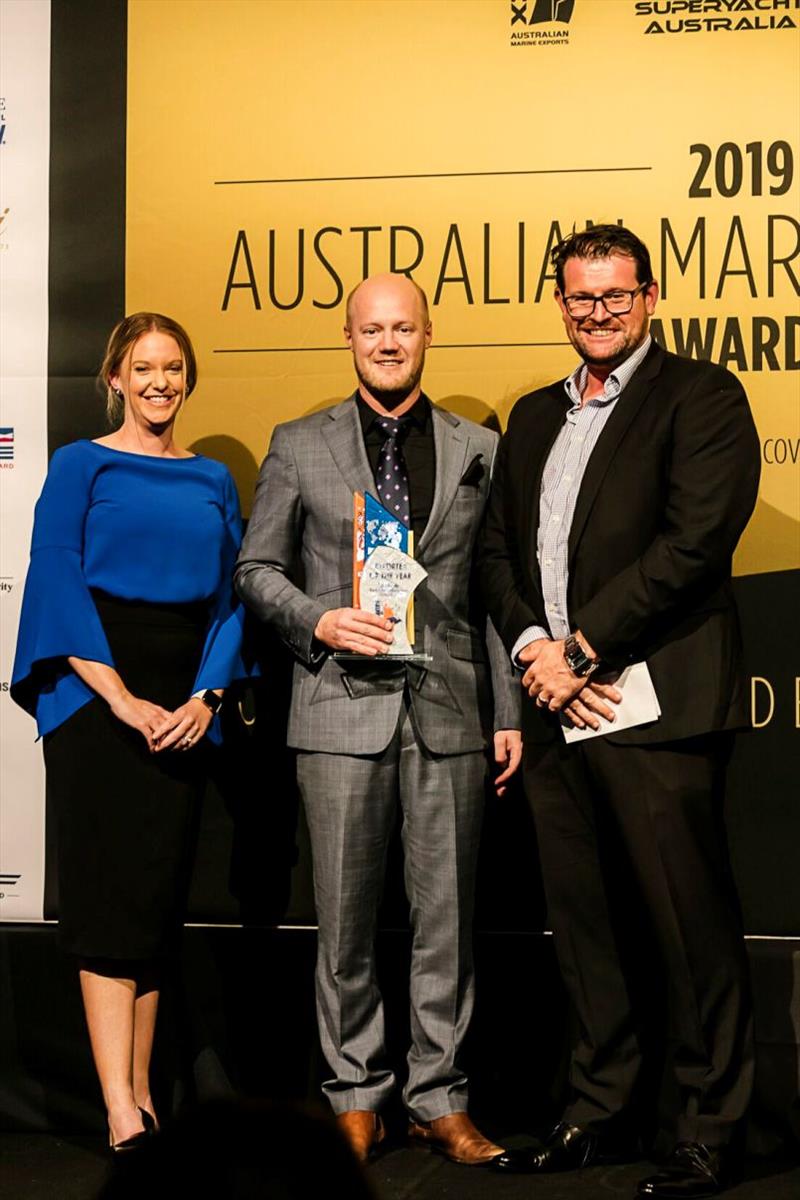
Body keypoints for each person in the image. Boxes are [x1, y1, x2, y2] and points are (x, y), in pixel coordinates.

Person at [480, 225, 759, 1199]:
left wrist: (580, 649)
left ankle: (704, 1128)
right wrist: (531, 652)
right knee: (584, 929)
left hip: (654, 704)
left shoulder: (700, 397)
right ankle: (597, 1112)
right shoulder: (529, 415)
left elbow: (691, 545)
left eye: (613, 295)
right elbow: (495, 555)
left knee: (686, 931)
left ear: (647, 297)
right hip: (555, 708)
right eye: (578, 297)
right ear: (560, 303)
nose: (595, 312)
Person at [234, 273, 523, 1168]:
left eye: (403, 328)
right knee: (346, 923)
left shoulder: (479, 444)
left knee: (449, 922)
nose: (388, 343)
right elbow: (255, 571)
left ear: (427, 334)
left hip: (450, 711)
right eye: (372, 330)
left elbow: (490, 590)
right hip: (338, 711)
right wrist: (318, 618)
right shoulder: (297, 443)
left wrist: (506, 710)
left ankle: (440, 1097)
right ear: (350, 340)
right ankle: (354, 1097)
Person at [11, 313, 248, 1153]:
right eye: (143, 367)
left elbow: (232, 599)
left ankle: (144, 1097)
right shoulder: (80, 464)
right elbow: (57, 579)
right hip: (98, 700)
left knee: (152, 910)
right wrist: (119, 699)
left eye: (173, 367)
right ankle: (118, 1108)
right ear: (114, 376)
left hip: (181, 707)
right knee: (111, 906)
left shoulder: (214, 477)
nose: (159, 382)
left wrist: (206, 699)